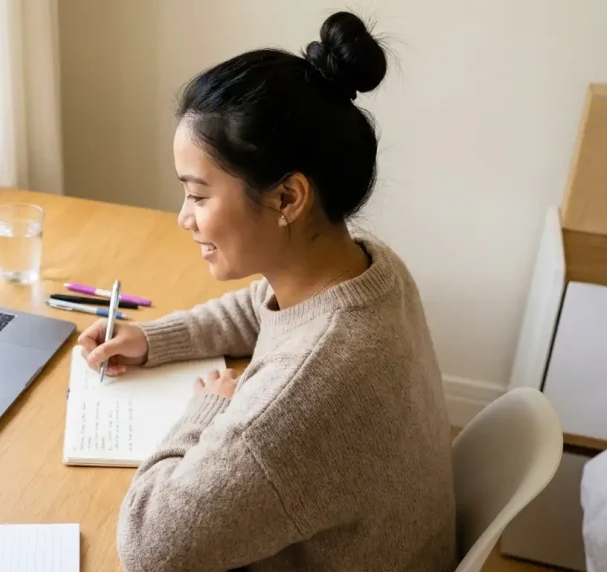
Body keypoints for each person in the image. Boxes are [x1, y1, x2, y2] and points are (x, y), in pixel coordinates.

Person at [77, 11, 456, 572]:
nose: (184, 218)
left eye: (199, 196)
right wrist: (154, 339)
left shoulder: (298, 400)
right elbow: (264, 310)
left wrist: (207, 410)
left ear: (287, 199)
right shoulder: (372, 271)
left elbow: (150, 549)